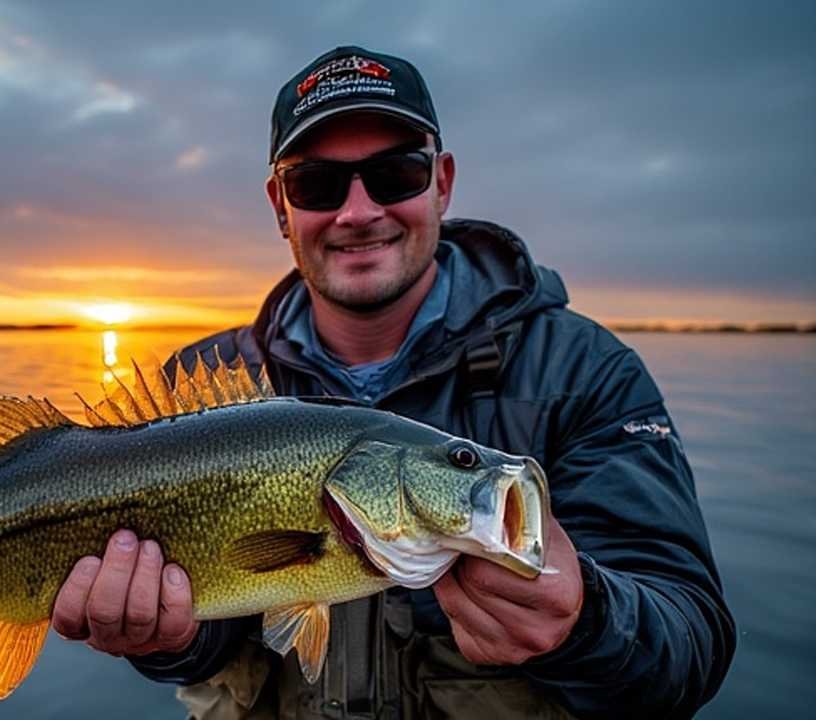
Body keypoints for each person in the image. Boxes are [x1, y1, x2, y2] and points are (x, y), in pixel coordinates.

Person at [50, 46, 735, 719]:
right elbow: (212, 631)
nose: (357, 212)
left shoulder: (584, 374)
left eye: (395, 174)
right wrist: (167, 638)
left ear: (442, 181)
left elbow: (689, 647)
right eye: (316, 184)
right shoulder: (200, 387)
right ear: (280, 205)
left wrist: (587, 623)